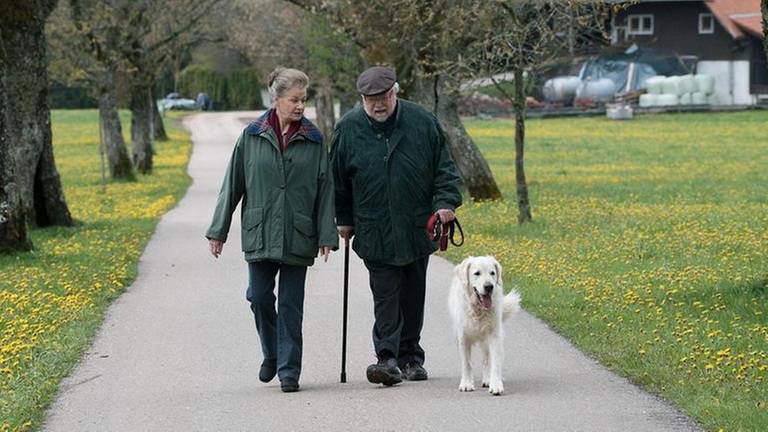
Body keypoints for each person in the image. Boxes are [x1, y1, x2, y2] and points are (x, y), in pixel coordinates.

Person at [206, 67, 338, 393]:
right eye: (294, 99)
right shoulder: (251, 136)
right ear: (275, 99)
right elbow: (233, 183)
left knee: (291, 306)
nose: (299, 106)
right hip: (261, 230)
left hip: (298, 232)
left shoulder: (313, 139)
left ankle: (289, 370)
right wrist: (218, 230)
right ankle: (272, 352)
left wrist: (326, 235)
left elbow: (325, 190)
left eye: (303, 100)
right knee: (259, 297)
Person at [331, 66, 462, 386]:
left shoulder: (422, 122)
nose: (378, 104)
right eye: (370, 99)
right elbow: (338, 181)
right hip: (374, 226)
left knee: (413, 293)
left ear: (395, 92)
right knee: (386, 292)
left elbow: (444, 169)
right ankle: (387, 358)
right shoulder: (348, 128)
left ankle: (411, 358)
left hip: (418, 224)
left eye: (384, 97)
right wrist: (344, 219)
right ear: (361, 99)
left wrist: (445, 203)